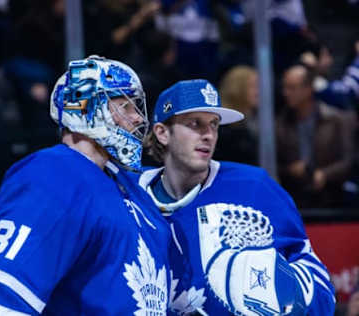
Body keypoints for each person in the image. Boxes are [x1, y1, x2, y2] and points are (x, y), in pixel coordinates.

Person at [0, 55, 172, 315]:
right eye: (125, 106)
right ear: (87, 108)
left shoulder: (129, 187)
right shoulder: (54, 174)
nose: (137, 119)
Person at [138, 79, 335, 315]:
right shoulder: (130, 193)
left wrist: (288, 298)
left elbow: (316, 276)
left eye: (213, 124)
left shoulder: (254, 187)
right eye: (194, 124)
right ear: (162, 133)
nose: (208, 135)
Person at [277, 64, 355, 208]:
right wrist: (290, 170)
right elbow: (274, 164)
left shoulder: (336, 119)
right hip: (295, 200)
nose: (286, 93)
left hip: (335, 202)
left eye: (292, 87)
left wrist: (325, 174)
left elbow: (348, 160)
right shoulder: (280, 123)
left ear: (308, 89)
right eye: (285, 87)